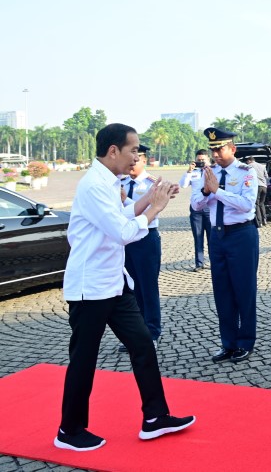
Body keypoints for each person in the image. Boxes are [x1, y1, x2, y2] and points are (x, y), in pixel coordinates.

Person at [56, 123, 194, 452]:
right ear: (113, 150)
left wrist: (149, 197)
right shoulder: (93, 185)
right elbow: (122, 232)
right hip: (91, 288)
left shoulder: (108, 181)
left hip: (115, 283)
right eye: (133, 149)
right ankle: (69, 430)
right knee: (84, 358)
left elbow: (121, 215)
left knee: (143, 345)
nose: (137, 156)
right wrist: (156, 209)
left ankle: (155, 417)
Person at [191, 127, 259, 363]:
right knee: (222, 292)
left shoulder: (245, 172)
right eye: (213, 150)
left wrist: (216, 191)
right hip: (217, 236)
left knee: (244, 290)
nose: (216, 154)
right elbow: (197, 205)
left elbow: (246, 205)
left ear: (232, 148)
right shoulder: (208, 173)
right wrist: (205, 190)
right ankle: (228, 343)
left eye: (219, 149)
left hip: (241, 234)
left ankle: (245, 341)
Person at [119, 144, 162, 352]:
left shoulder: (152, 183)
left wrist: (124, 199)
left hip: (146, 239)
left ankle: (152, 332)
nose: (134, 161)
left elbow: (147, 210)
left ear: (145, 160)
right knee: (132, 288)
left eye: (138, 158)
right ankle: (136, 334)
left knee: (148, 288)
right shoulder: (121, 182)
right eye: (132, 157)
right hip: (127, 239)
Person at [180, 149, 212, 271]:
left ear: (208, 159)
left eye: (203, 160)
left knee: (212, 237)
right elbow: (183, 185)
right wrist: (189, 171)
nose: (201, 162)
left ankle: (214, 261)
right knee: (198, 237)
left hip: (209, 207)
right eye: (199, 160)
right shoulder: (193, 172)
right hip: (195, 209)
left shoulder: (213, 171)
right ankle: (199, 263)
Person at [245, 156, 269, 228]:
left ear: (249, 161)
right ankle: (265, 219)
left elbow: (247, 178)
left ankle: (259, 222)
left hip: (256, 187)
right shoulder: (262, 166)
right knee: (262, 203)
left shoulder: (249, 167)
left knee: (257, 204)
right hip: (264, 187)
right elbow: (266, 176)